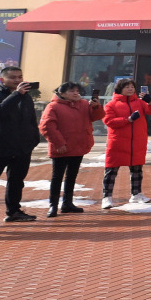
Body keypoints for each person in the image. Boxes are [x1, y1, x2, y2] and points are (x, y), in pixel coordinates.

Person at [0, 66, 41, 226]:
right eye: (13, 77)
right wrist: (16, 94)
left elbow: (31, 119)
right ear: (2, 79)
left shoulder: (25, 96)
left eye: (20, 77)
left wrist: (34, 138)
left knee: (16, 181)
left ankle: (13, 211)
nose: (18, 80)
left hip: (21, 147)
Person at [39, 82, 104, 217]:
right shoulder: (53, 106)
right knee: (57, 177)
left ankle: (67, 203)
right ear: (61, 93)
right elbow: (47, 127)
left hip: (79, 146)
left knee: (72, 176)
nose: (75, 93)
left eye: (77, 91)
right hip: (61, 148)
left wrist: (96, 106)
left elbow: (96, 117)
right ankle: (53, 205)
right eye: (71, 91)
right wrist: (59, 143)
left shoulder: (84, 104)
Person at [101, 78, 151, 207]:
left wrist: (150, 101)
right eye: (127, 87)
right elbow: (109, 121)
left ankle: (136, 194)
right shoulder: (111, 105)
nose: (130, 89)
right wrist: (128, 119)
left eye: (132, 87)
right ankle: (107, 197)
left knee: (137, 169)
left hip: (137, 142)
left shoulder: (140, 102)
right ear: (120, 89)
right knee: (111, 170)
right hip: (118, 142)